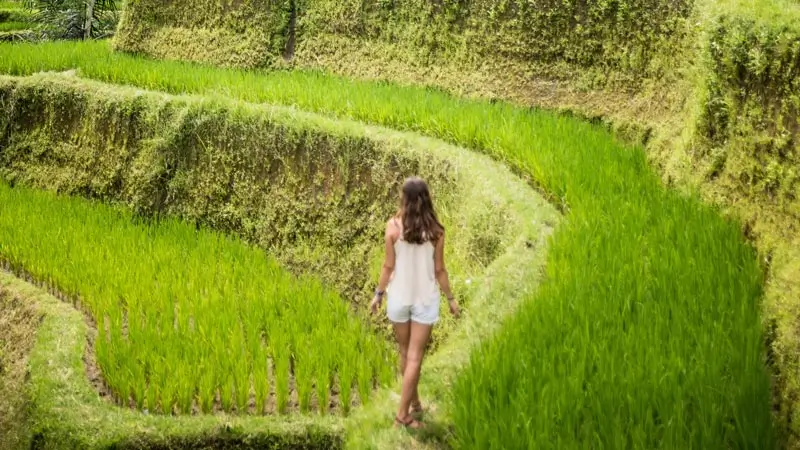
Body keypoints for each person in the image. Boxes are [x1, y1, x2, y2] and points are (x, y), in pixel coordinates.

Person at [370, 176, 460, 429]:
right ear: (426, 199)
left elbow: (388, 266)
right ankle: (403, 416)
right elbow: (440, 270)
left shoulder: (392, 228)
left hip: (398, 299)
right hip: (424, 300)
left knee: (405, 353)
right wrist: (451, 299)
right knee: (415, 357)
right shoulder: (436, 232)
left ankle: (415, 404)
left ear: (405, 199)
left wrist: (378, 295)